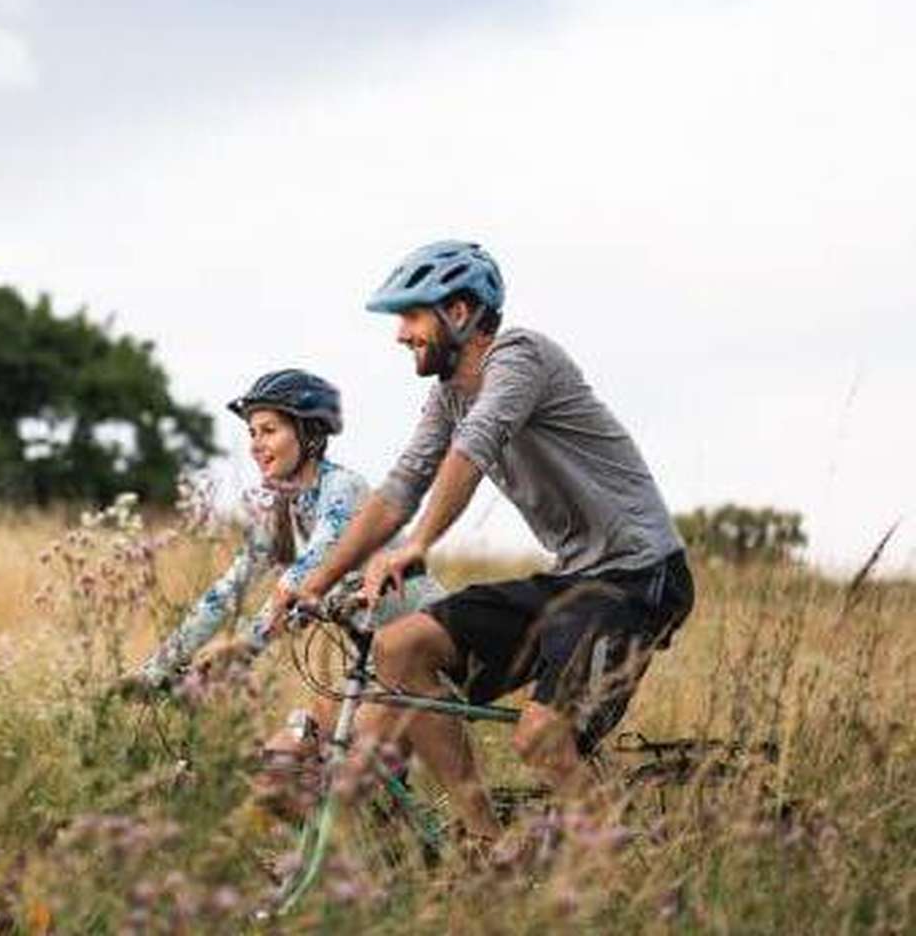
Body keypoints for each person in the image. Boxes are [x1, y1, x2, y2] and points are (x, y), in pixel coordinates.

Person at [274, 241, 694, 844]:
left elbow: (475, 447)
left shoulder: (521, 358)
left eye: (413, 315)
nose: (400, 334)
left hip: (639, 578)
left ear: (463, 312)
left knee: (540, 736)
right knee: (401, 648)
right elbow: (399, 487)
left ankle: (621, 876)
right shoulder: (448, 395)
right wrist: (309, 583)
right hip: (575, 579)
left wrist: (418, 543)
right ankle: (486, 850)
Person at [131, 368, 443, 690]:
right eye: (252, 433)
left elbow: (302, 575)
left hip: (432, 639)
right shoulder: (282, 508)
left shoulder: (342, 488)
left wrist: (243, 648)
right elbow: (227, 591)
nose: (256, 445)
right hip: (378, 660)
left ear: (310, 435)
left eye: (268, 430)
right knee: (302, 740)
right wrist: (157, 668)